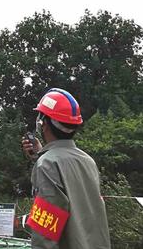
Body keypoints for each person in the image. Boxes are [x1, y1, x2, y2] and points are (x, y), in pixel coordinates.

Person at [21, 88, 111, 249]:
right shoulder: (87, 161)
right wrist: (41, 154)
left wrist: (43, 158)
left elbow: (45, 234)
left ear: (44, 124)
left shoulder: (47, 165)